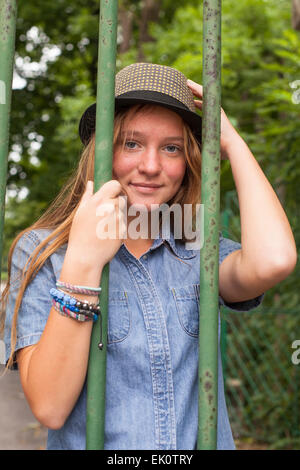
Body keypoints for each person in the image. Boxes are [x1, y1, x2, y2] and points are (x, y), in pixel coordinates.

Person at [1, 63, 297, 450]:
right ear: (103, 151)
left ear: (189, 160)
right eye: (132, 143)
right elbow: (50, 407)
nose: (152, 166)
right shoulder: (44, 251)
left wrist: (232, 142)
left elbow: (275, 260)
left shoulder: (197, 247)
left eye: (171, 147)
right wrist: (85, 262)